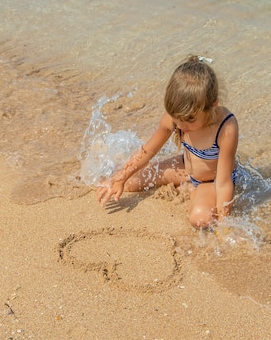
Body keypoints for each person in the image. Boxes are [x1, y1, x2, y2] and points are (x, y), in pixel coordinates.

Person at [96, 55, 239, 229]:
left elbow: (224, 183)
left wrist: (225, 227)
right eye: (176, 119)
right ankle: (187, 186)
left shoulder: (226, 127)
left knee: (200, 219)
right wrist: (121, 178)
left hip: (213, 180)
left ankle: (194, 192)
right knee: (129, 184)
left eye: (189, 120)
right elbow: (148, 150)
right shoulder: (178, 116)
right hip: (185, 167)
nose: (180, 125)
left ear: (213, 105)